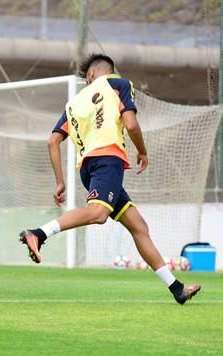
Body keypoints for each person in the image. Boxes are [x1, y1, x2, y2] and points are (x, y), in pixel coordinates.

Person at [19, 53, 200, 305]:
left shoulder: (74, 103)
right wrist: (143, 152)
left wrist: (60, 182)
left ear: (92, 73)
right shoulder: (119, 84)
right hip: (108, 160)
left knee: (138, 226)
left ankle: (176, 288)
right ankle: (39, 233)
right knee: (98, 214)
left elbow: (53, 141)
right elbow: (132, 125)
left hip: (88, 167)